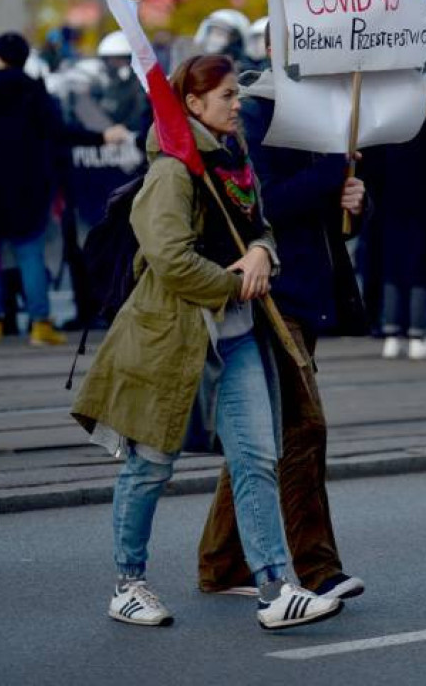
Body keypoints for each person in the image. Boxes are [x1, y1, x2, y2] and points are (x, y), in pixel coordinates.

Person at [71, 54, 343, 630]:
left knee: (256, 460)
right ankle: (128, 583)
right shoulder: (174, 169)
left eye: (235, 94)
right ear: (193, 105)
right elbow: (169, 259)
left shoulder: (235, 157)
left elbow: (260, 224)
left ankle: (275, 588)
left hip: (237, 337)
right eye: (225, 96)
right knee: (150, 464)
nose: (237, 102)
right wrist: (233, 280)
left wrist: (263, 253)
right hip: (172, 337)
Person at [197, 38, 367, 601]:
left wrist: (354, 200)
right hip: (271, 294)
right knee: (303, 429)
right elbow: (261, 201)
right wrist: (331, 174)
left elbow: (328, 211)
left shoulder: (323, 113)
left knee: (260, 434)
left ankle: (222, 563)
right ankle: (319, 570)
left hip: (306, 291)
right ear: (277, 47)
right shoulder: (255, 108)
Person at [367, 73, 426, 360]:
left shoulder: (388, 127)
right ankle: (419, 335)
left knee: (393, 272)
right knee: (423, 272)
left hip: (391, 210)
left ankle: (392, 333)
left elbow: (374, 172)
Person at [0, 32, 69, 346]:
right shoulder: (34, 90)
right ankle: (40, 324)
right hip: (27, 188)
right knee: (30, 254)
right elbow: (58, 133)